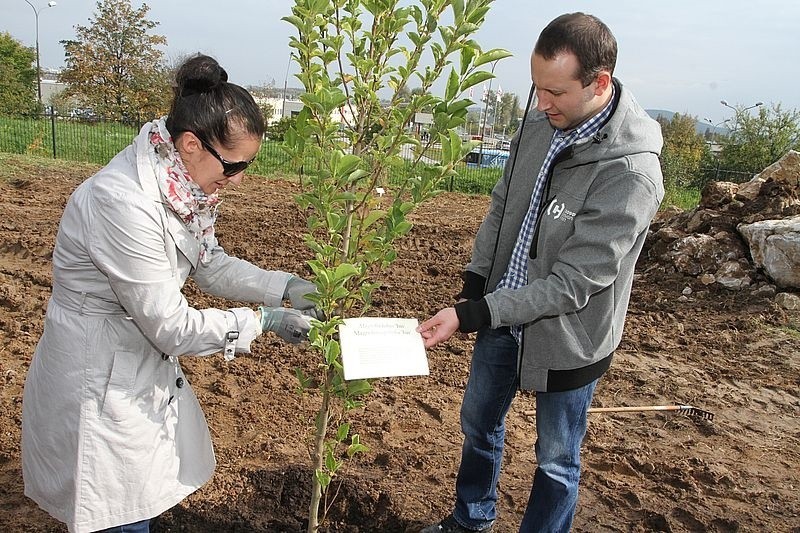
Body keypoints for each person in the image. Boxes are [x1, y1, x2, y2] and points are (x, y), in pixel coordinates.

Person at [21, 54, 318, 533]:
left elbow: (209, 263)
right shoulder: (122, 201)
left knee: (137, 500)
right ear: (190, 144)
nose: (239, 179)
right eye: (235, 165)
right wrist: (261, 322)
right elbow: (171, 325)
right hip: (98, 376)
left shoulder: (181, 186)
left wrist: (284, 285)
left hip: (133, 363)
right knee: (117, 513)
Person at [417, 13, 664, 533]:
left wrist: (475, 312)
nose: (541, 102)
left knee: (556, 460)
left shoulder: (630, 173)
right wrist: (475, 282)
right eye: (535, 87)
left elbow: (573, 284)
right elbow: (503, 208)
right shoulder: (537, 128)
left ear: (599, 83)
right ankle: (471, 519)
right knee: (478, 426)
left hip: (570, 334)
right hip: (503, 315)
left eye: (554, 91)